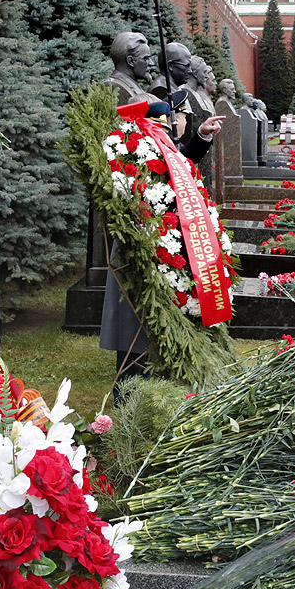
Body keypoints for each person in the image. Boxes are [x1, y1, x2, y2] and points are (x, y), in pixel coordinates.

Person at [100, 94, 224, 396]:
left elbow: (179, 164)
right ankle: (129, 397)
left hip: (164, 251)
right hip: (142, 251)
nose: (173, 125)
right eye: (169, 120)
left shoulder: (155, 145)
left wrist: (201, 137)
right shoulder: (131, 149)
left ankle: (157, 395)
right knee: (134, 331)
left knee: (154, 331)